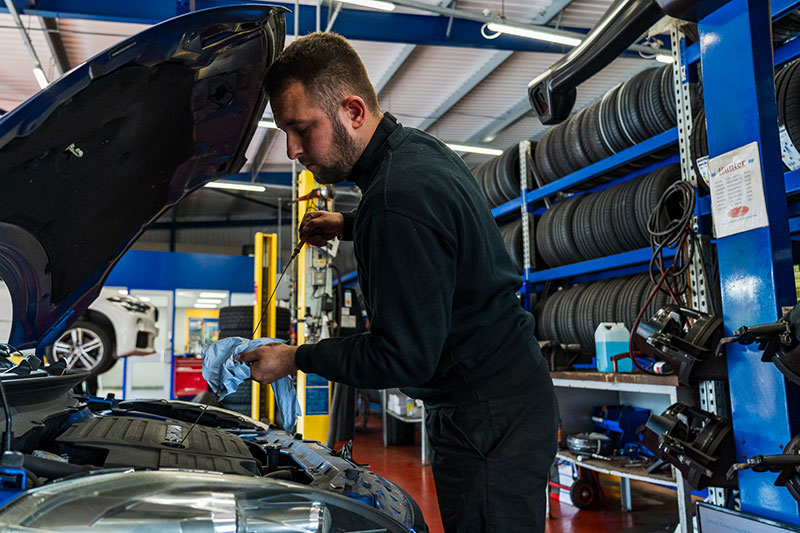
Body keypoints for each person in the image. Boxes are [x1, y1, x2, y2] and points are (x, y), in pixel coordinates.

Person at [238, 31, 558, 532]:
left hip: (487, 418)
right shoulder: (415, 152)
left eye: (301, 128)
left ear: (354, 111)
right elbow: (434, 231)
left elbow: (400, 356)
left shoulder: (394, 200)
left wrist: (294, 357)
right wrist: (349, 224)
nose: (293, 148)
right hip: (504, 397)